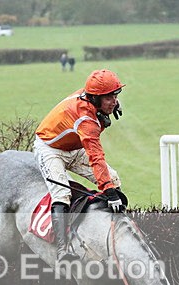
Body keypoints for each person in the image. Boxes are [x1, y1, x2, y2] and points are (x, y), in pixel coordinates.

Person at [34, 68, 126, 262]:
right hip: (50, 149)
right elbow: (96, 157)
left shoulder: (91, 95)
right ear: (95, 99)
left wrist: (112, 105)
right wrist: (109, 192)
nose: (114, 101)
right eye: (109, 98)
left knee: (114, 178)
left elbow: (102, 96)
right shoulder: (85, 120)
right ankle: (62, 250)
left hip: (74, 148)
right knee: (62, 195)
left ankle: (116, 229)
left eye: (115, 96)